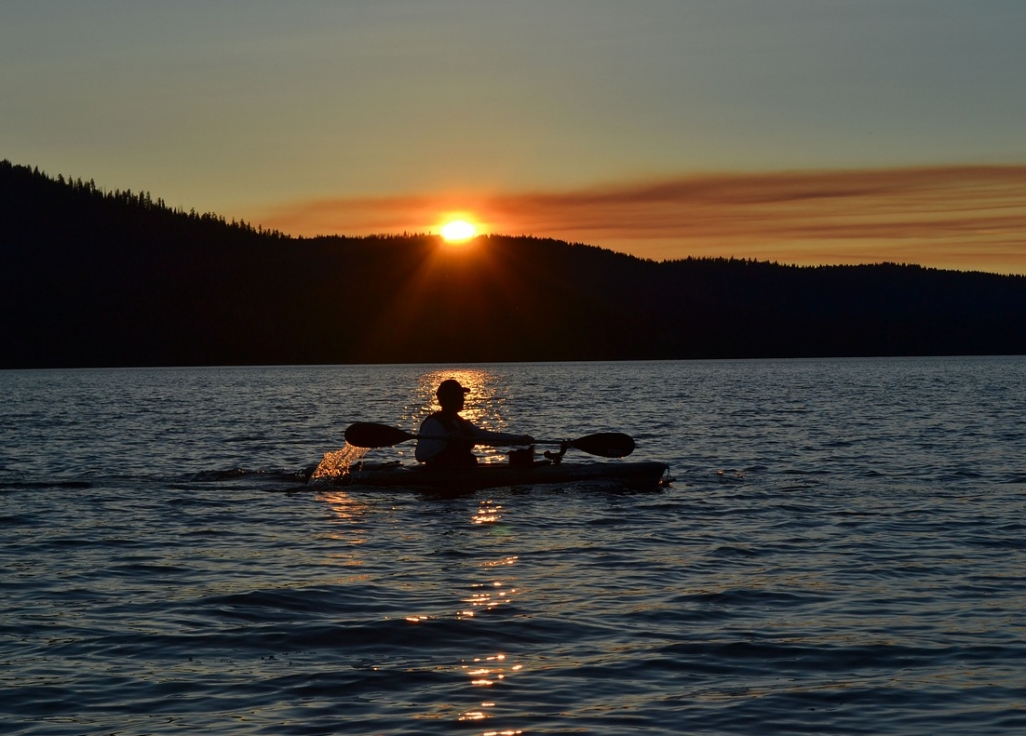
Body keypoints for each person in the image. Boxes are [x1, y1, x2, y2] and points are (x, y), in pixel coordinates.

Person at [415, 379, 533, 467]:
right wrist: (446, 439)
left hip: (462, 472)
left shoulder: (462, 423)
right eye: (458, 396)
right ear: (447, 398)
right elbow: (420, 455)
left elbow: (487, 437)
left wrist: (519, 439)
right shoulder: (433, 424)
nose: (463, 399)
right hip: (441, 477)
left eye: (462, 396)